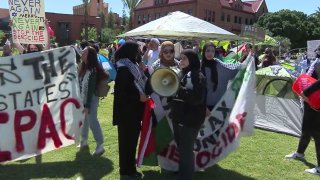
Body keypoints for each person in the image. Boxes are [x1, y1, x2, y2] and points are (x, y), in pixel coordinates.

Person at [169, 49, 206, 180]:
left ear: (192, 60)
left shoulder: (197, 76)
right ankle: (183, 172)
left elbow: (197, 98)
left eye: (184, 58)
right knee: (182, 148)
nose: (181, 61)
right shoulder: (182, 74)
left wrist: (178, 88)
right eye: (181, 58)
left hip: (190, 120)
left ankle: (186, 176)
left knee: (186, 150)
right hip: (179, 117)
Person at [113, 41, 148, 178]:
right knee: (127, 143)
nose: (138, 53)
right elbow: (121, 92)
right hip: (127, 114)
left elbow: (138, 82)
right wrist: (139, 97)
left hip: (132, 112)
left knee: (130, 142)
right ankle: (127, 170)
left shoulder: (131, 65)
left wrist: (143, 69)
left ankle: (128, 167)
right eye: (137, 51)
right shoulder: (124, 68)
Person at [285, 46, 320, 176]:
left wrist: (306, 92)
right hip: (311, 100)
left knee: (317, 134)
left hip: (315, 100)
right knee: (306, 128)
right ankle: (300, 153)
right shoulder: (316, 61)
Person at [78, 46, 108, 156]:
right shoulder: (83, 67)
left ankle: (100, 145)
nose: (82, 54)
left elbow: (90, 89)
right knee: (84, 119)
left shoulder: (92, 70)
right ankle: (84, 140)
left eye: (84, 53)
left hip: (91, 98)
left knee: (92, 121)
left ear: (90, 56)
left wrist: (87, 105)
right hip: (84, 97)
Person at [201, 42, 241, 112]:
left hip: (218, 105)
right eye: (208, 51)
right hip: (201, 105)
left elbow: (234, 69)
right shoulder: (199, 66)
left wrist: (248, 59)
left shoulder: (219, 65)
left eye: (212, 51)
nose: (210, 53)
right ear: (204, 52)